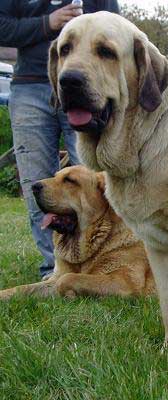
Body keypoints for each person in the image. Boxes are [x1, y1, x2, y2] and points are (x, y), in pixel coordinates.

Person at [0, 0, 120, 279]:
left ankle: (109, 264)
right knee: (38, 182)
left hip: (85, 88)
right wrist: (47, 24)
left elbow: (116, 28)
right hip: (30, 86)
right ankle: (54, 269)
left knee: (96, 181)